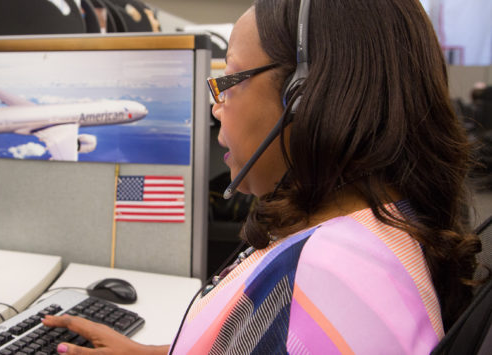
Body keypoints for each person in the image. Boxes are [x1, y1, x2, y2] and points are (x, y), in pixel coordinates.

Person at [42, 0, 482, 353]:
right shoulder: (377, 222)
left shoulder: (323, 277)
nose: (216, 107)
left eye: (229, 78)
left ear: (305, 98)